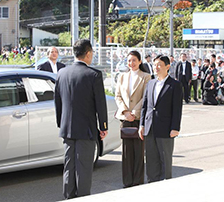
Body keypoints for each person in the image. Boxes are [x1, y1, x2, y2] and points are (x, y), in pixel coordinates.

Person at [54, 39, 108, 199]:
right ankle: (83, 198)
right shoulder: (94, 75)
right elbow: (100, 104)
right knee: (83, 168)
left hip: (67, 128)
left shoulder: (61, 73)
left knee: (69, 166)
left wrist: (61, 123)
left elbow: (58, 102)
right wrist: (103, 126)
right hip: (87, 129)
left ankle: (68, 197)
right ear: (88, 53)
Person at [139, 55, 183, 183]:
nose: (156, 68)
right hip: (150, 127)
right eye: (154, 65)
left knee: (165, 159)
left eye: (159, 65)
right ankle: (152, 184)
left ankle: (166, 187)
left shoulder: (175, 85)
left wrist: (175, 128)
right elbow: (145, 106)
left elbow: (177, 109)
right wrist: (142, 125)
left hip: (166, 128)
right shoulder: (150, 83)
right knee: (151, 160)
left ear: (167, 67)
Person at [115, 51, 151, 188]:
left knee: (139, 151)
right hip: (125, 118)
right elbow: (118, 96)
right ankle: (127, 181)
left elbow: (146, 97)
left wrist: (134, 113)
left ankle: (138, 180)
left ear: (140, 61)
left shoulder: (146, 77)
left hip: (139, 118)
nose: (131, 63)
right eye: (129, 60)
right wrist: (125, 111)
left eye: (134, 60)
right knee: (126, 152)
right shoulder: (122, 77)